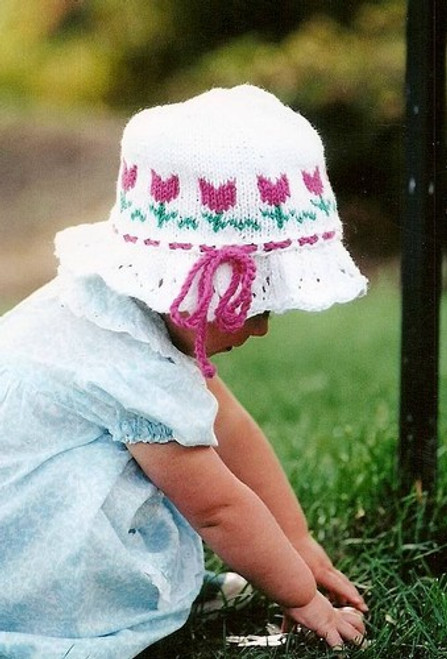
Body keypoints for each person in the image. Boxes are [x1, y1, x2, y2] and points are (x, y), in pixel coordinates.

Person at [0, 85, 369, 658]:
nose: (262, 328)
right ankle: (108, 607)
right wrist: (301, 597)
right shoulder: (129, 367)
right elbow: (218, 509)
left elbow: (233, 428)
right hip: (35, 566)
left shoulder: (111, 307)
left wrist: (295, 538)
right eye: (255, 307)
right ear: (187, 291)